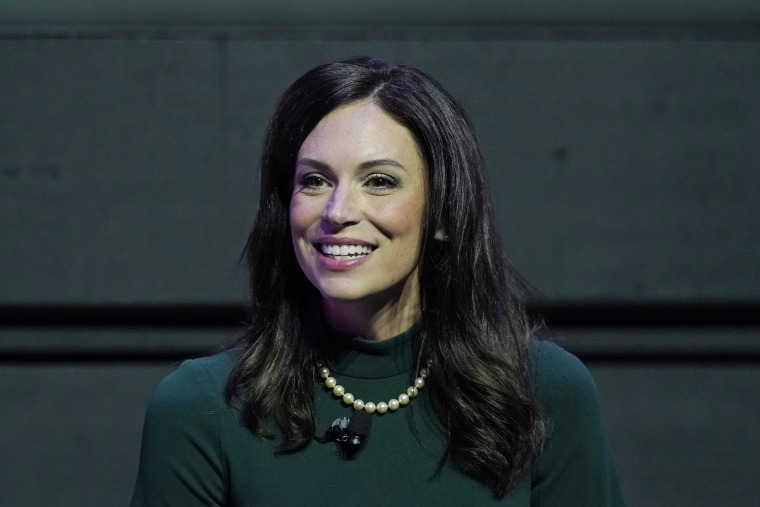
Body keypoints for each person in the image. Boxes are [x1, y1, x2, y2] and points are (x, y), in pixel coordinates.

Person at [131, 57, 624, 506]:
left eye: (380, 181)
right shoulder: (203, 409)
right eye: (315, 181)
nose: (338, 212)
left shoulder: (544, 391)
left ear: (442, 214)